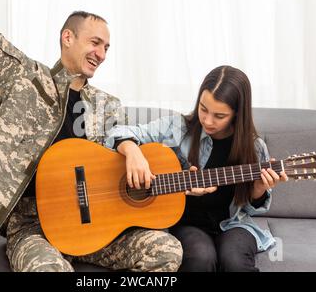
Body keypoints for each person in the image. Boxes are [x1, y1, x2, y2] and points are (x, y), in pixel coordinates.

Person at [0, 0, 182, 272]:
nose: (101, 53)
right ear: (67, 37)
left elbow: (127, 158)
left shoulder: (110, 107)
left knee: (167, 250)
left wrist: (135, 149)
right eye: (95, 42)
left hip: (96, 231)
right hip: (33, 228)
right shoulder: (25, 79)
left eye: (107, 47)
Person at [105, 65, 288, 272]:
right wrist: (132, 151)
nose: (207, 121)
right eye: (203, 109)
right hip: (186, 224)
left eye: (219, 116)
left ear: (237, 114)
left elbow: (251, 207)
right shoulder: (177, 127)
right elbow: (117, 131)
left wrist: (258, 190)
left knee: (235, 261)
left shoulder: (254, 148)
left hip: (233, 223)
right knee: (201, 258)